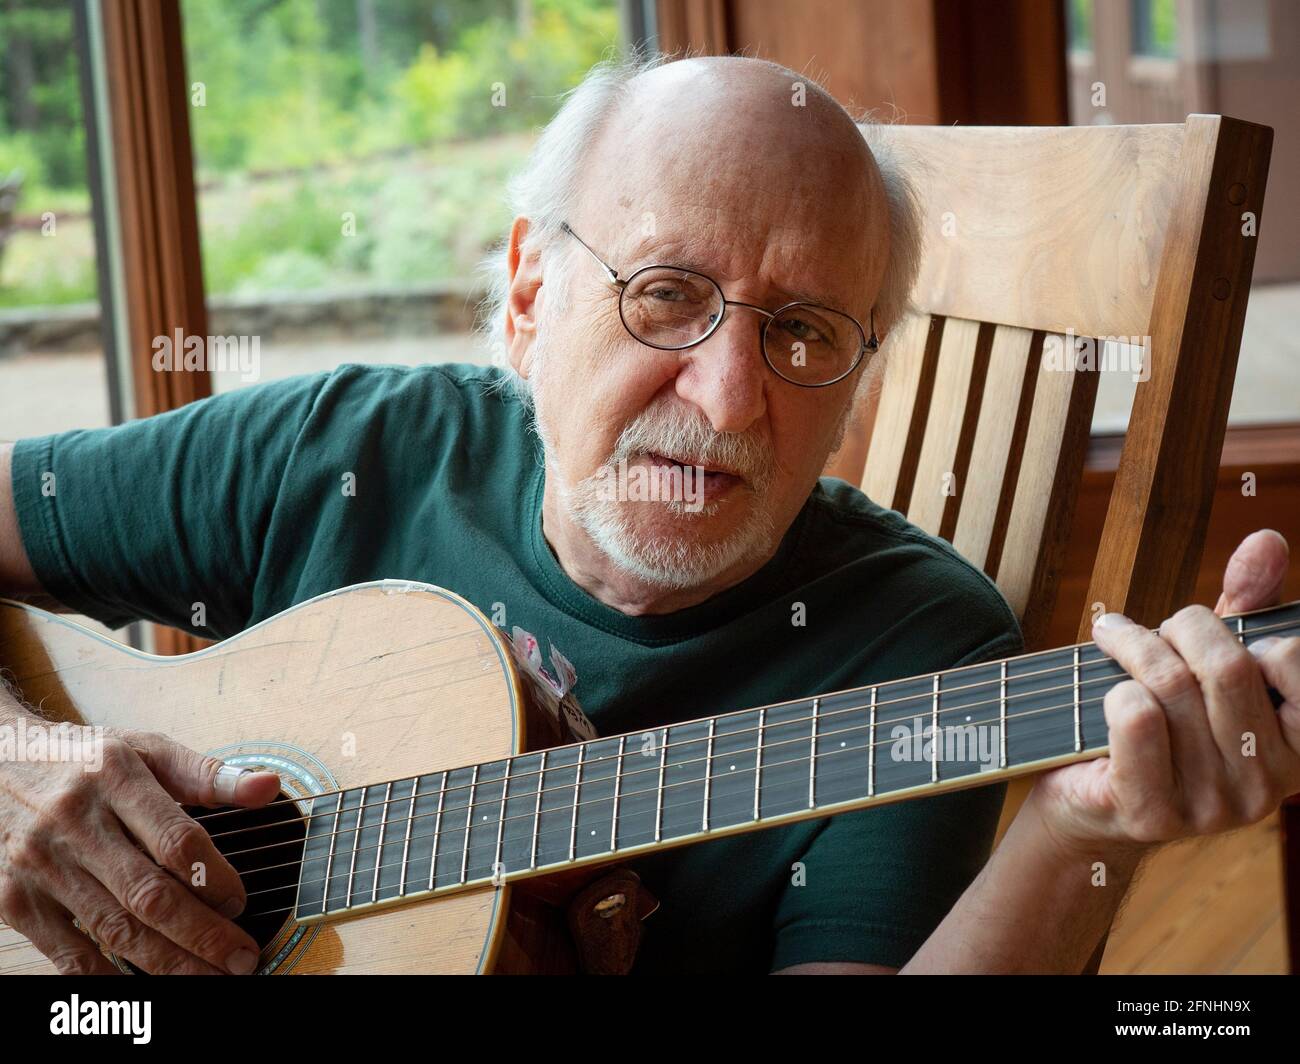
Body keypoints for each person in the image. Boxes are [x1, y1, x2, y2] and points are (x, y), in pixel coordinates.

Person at [0, 54, 1295, 975]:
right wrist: (28, 765)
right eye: (668, 294)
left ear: (856, 380)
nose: (730, 399)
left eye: (803, 332)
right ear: (526, 294)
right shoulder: (345, 450)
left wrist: (1081, 829)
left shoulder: (917, 656)